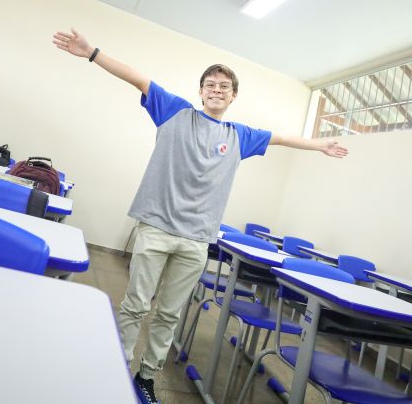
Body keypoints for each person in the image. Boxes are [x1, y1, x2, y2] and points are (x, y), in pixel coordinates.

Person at [52, 28, 348, 404]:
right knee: (135, 305)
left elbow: (282, 138)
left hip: (196, 240)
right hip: (156, 227)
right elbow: (138, 78)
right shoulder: (175, 112)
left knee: (169, 314)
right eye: (210, 85)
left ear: (233, 95)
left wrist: (320, 144)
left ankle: (146, 377)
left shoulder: (240, 135)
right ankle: (118, 366)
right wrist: (92, 52)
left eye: (224, 86)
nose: (217, 90)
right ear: (201, 91)